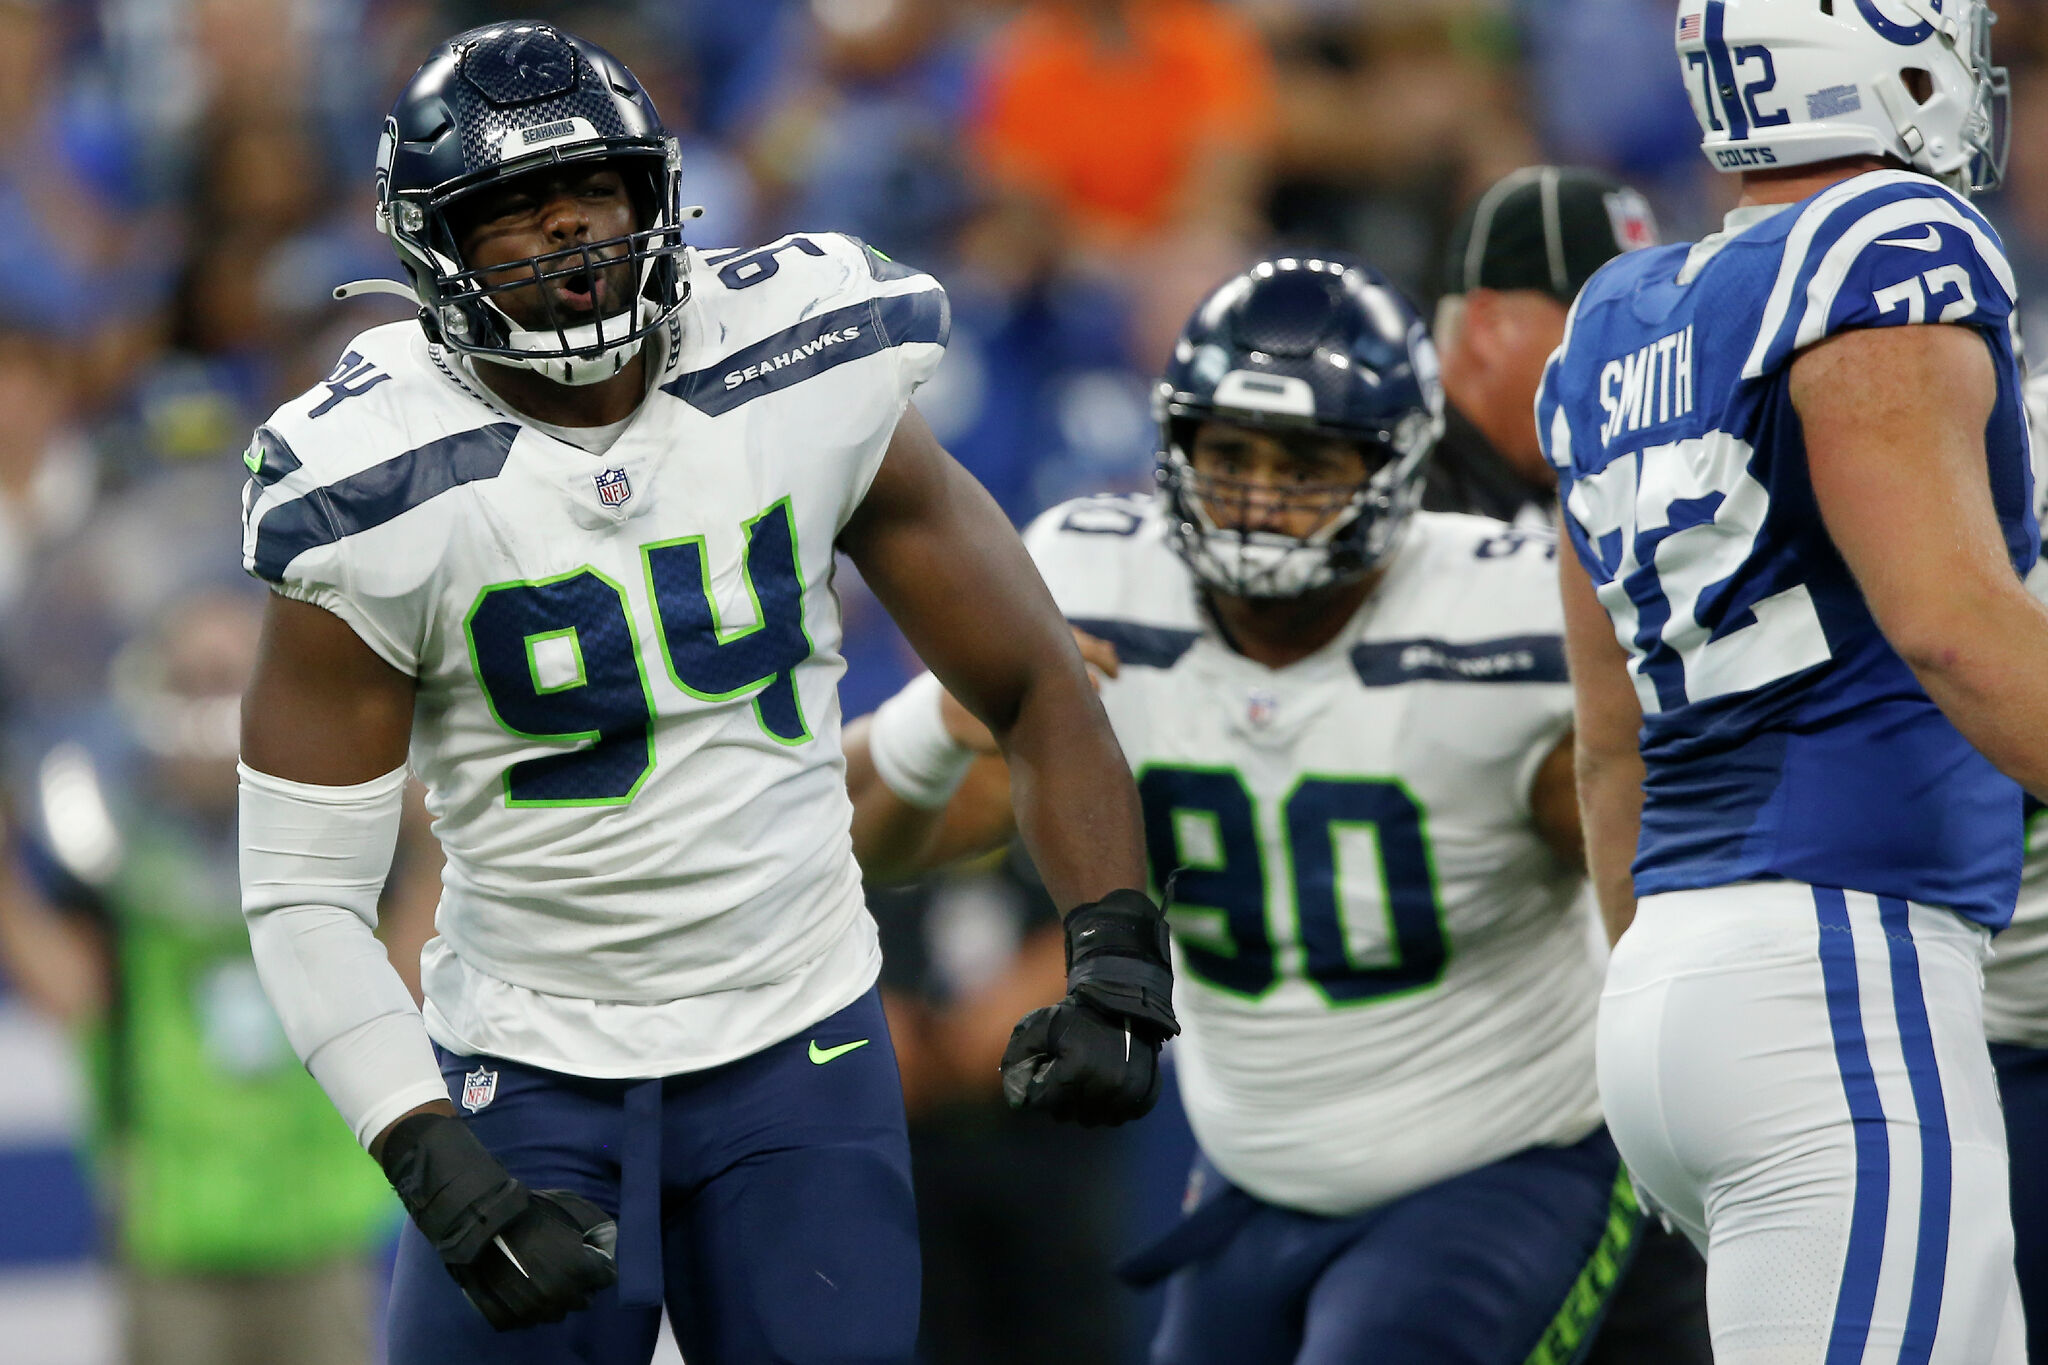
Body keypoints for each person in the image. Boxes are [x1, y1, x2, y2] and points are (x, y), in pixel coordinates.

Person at [234, 22, 1171, 1365]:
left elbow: (1032, 678)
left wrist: (1116, 950)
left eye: (592, 194)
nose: (565, 235)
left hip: (799, 1031)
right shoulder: (368, 481)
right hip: (529, 1053)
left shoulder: (803, 358)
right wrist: (426, 1144)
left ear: (657, 196)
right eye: (510, 212)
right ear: (433, 248)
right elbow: (303, 890)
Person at [849, 254, 1641, 1363]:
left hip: (1504, 1162)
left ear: (1395, 463)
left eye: (1305, 462)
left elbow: (1661, 888)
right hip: (1246, 1183)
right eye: (1230, 454)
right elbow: (860, 836)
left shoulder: (1511, 623)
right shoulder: (1092, 584)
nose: (1259, 497)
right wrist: (938, 728)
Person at [1541, 0, 2031, 1357]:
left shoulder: (1613, 312)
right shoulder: (1888, 244)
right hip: (1838, 963)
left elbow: (1608, 747)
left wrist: (1670, 998)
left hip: (1668, 983)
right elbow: (1953, 627)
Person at [1427, 162, 1714, 1365]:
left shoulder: (1631, 477)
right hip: (1439, 1083)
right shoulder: (1366, 489)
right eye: (1603, 317)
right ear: (1491, 325)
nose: (1636, 352)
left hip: (1586, 1056)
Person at [0, 592, 427, 1365]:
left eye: (231, 677)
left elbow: (407, 986)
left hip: (318, 1237)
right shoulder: (114, 864)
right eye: (190, 681)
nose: (211, 707)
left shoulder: (342, 859)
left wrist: (424, 831)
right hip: (172, 1239)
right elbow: (73, 994)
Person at [1426, 165, 1659, 529]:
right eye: (1603, 325)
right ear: (1490, 326)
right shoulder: (1400, 490)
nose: (1636, 357)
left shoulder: (1590, 482)